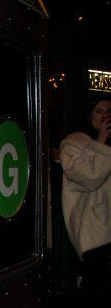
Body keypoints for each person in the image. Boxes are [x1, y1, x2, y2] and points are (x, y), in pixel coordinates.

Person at [59, 97, 111, 307]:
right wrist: (100, 143)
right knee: (96, 287)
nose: (105, 116)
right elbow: (87, 176)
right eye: (100, 111)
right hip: (94, 229)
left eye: (109, 111)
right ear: (89, 115)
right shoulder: (74, 142)